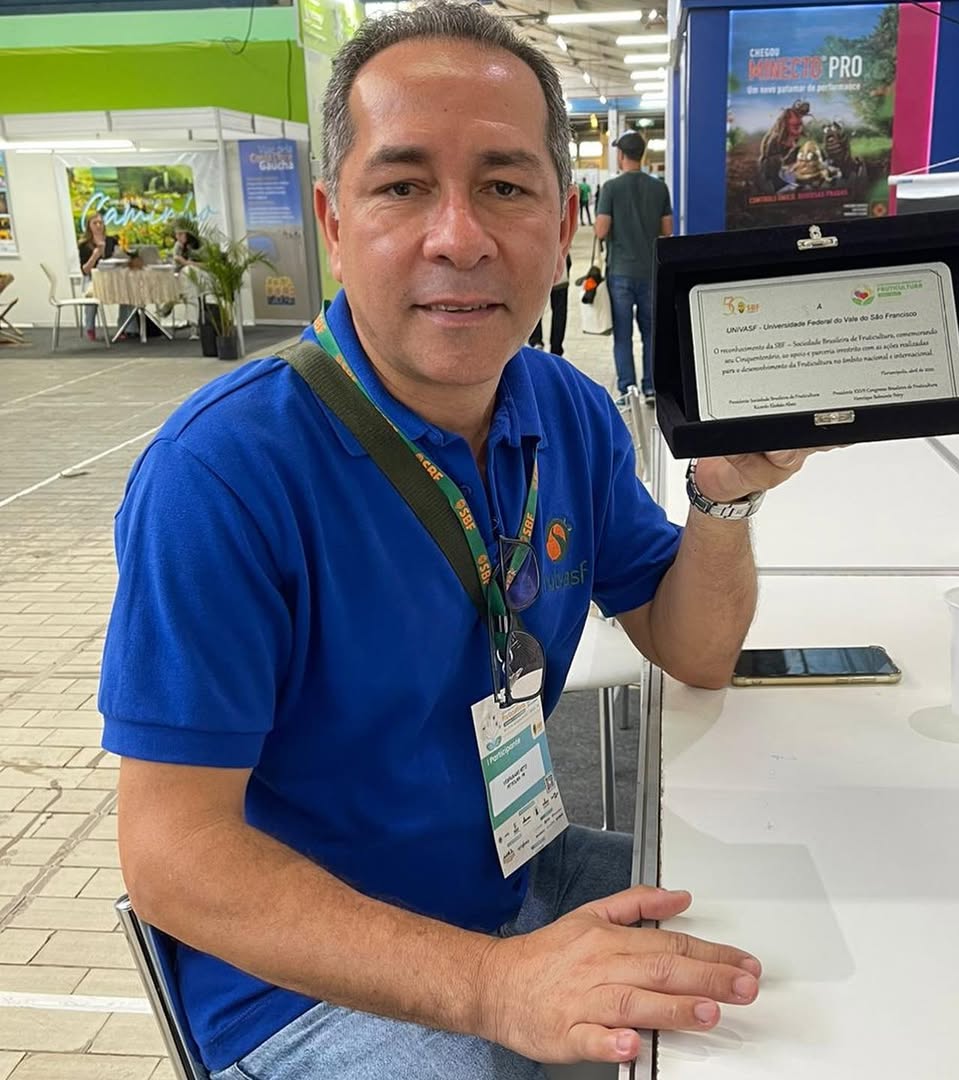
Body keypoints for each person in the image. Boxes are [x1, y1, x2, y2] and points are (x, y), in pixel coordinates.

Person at [100, 5, 821, 1079]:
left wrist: (722, 499)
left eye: (504, 186)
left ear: (564, 221)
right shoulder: (223, 475)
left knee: (790, 946)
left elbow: (696, 650)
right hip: (302, 983)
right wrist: (496, 985)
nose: (459, 237)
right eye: (401, 187)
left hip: (517, 871)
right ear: (333, 221)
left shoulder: (566, 411)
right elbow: (172, 857)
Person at [595, 131, 673, 403]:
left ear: (620, 155)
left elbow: (601, 230)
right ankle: (651, 387)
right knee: (651, 333)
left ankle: (628, 389)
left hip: (620, 273)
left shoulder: (611, 188)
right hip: (650, 272)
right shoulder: (659, 187)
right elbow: (667, 231)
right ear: (642, 154)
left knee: (623, 334)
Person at [77, 213, 134, 340]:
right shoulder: (84, 245)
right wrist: (95, 256)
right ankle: (90, 328)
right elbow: (85, 271)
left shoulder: (112, 241)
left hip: (113, 277)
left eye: (100, 223)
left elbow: (121, 257)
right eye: (95, 223)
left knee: (128, 290)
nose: (98, 226)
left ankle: (124, 328)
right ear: (89, 226)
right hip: (94, 278)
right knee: (91, 293)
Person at [527, 253, 570, 355]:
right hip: (560, 260)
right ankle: (556, 348)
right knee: (559, 309)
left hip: (536, 260)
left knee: (534, 303)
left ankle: (536, 341)